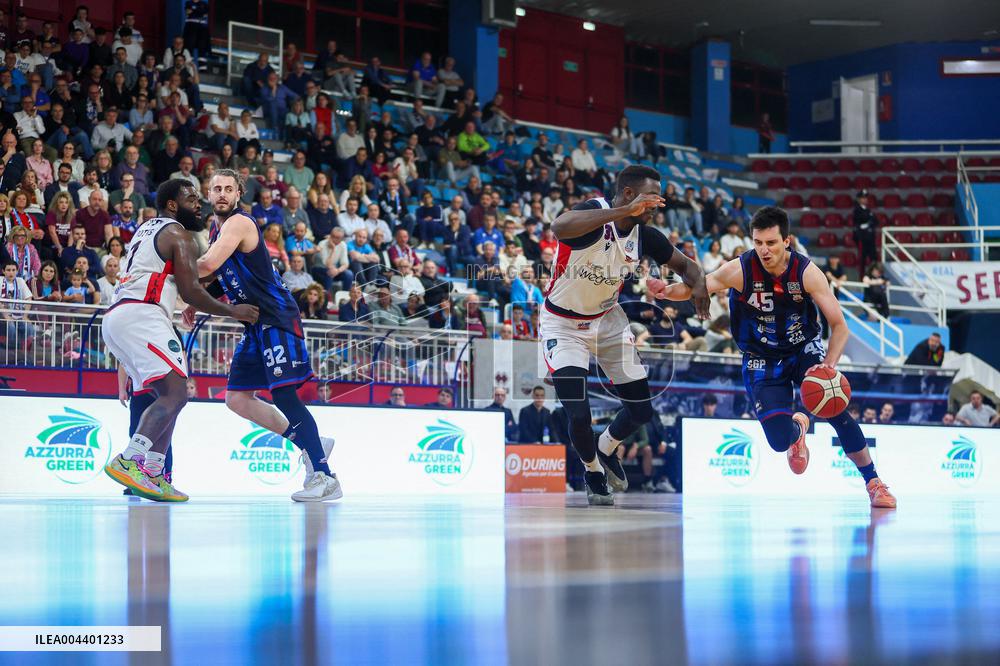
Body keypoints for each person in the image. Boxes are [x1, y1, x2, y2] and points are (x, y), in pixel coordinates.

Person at [657, 205, 896, 508]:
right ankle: (798, 430)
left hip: (802, 349)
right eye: (758, 243)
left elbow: (839, 326)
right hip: (761, 356)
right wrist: (665, 291)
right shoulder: (739, 269)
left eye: (770, 243)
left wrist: (829, 366)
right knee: (778, 440)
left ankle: (874, 482)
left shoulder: (807, 273)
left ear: (787, 241)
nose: (764, 250)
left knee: (836, 408)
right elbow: (697, 287)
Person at [539, 165, 709, 505]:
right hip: (562, 324)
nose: (657, 206)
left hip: (607, 321)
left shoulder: (645, 236)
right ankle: (592, 470)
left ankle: (605, 448)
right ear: (630, 195)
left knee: (642, 411)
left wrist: (700, 285)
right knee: (579, 413)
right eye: (651, 199)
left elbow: (689, 267)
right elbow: (559, 226)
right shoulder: (595, 214)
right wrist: (621, 212)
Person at [101, 180, 259, 502]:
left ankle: (156, 473)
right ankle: (131, 459)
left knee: (167, 394)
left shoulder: (147, 229)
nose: (199, 203)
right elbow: (191, 291)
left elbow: (178, 282)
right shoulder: (178, 233)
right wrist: (233, 310)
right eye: (191, 198)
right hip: (142, 315)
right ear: (172, 205)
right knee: (176, 392)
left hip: (119, 316)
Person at [189, 169, 341, 502]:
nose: (222, 194)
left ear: (239, 193)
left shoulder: (239, 223)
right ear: (208, 194)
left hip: (276, 317)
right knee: (237, 399)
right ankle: (309, 444)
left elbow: (207, 264)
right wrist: (198, 302)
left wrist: (167, 269)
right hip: (255, 325)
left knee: (284, 394)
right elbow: (220, 275)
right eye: (216, 189)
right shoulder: (219, 228)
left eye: (229, 188)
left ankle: (325, 477)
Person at [853, 190, 878, 275]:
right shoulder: (857, 210)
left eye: (866, 198)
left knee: (873, 259)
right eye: (863, 198)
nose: (865, 199)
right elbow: (857, 224)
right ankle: (862, 278)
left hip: (870, 239)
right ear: (859, 199)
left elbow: (875, 221)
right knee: (862, 260)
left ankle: (873, 276)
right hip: (862, 239)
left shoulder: (868, 210)